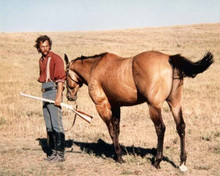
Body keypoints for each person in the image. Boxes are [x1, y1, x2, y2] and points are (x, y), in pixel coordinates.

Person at [34, 35, 66, 162]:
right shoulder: (41, 60)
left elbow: (60, 80)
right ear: (39, 47)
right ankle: (53, 153)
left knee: (56, 124)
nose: (45, 48)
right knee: (49, 125)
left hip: (53, 92)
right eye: (42, 46)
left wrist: (58, 96)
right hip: (44, 92)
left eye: (47, 46)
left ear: (50, 45)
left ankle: (60, 154)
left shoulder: (56, 59)